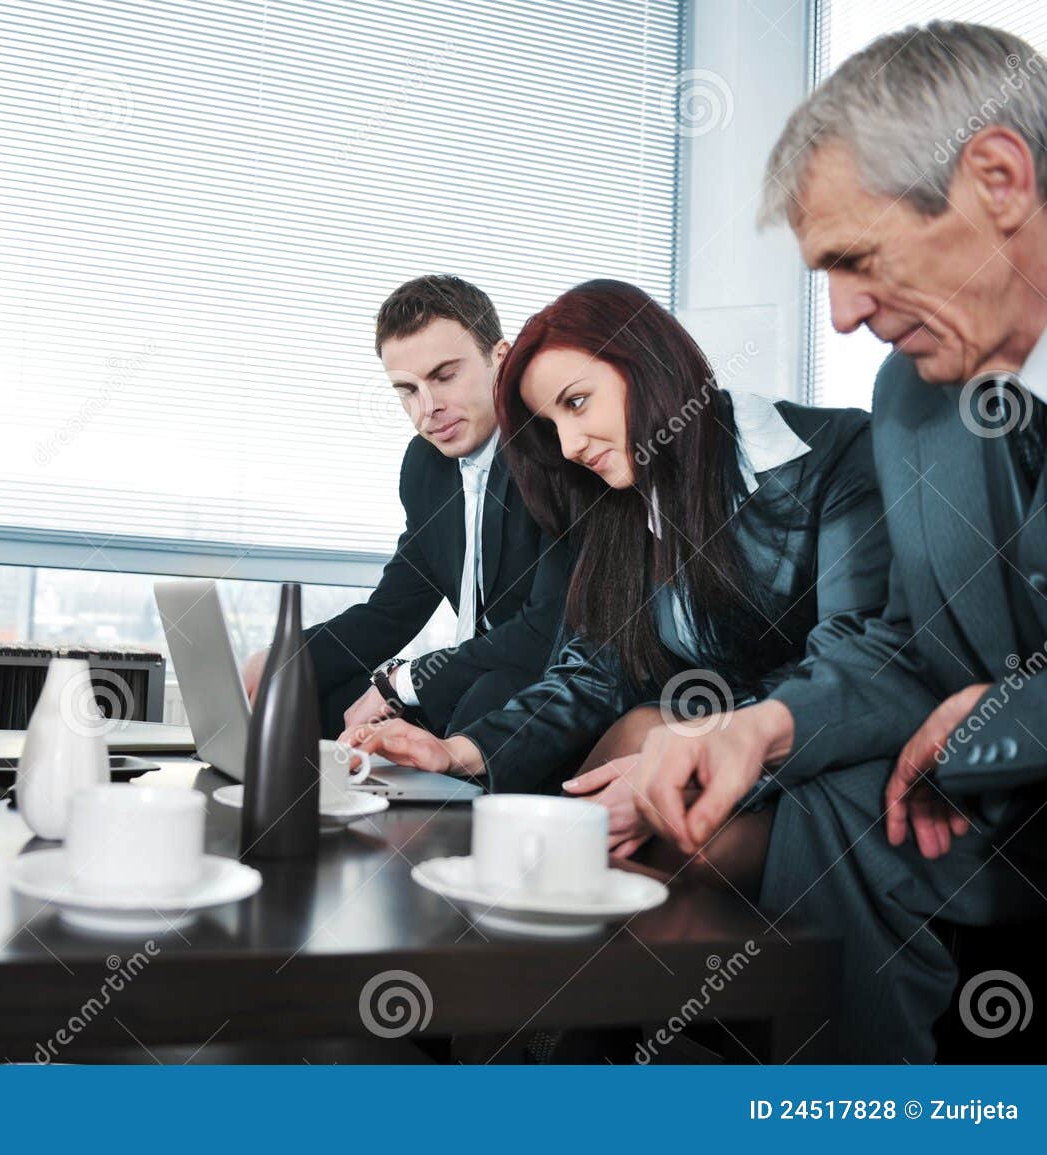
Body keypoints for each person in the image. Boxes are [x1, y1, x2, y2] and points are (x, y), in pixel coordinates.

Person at [627, 21, 1047, 1062]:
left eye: (857, 262)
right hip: (993, 811)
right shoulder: (909, 398)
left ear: (996, 178)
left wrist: (1006, 716)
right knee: (825, 814)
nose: (847, 314)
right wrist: (762, 728)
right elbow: (907, 645)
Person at [342, 280, 890, 872]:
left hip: (817, 751)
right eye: (552, 425)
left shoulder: (837, 454)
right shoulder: (620, 496)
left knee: (655, 769)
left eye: (576, 402)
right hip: (695, 745)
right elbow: (595, 671)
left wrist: (694, 749)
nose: (571, 445)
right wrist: (457, 752)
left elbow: (853, 659)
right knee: (602, 786)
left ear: (651, 364)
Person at [242, 275, 572, 739]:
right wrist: (286, 658)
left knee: (486, 694)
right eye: (407, 389)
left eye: (444, 376)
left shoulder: (555, 453)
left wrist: (406, 682)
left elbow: (546, 630)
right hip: (465, 679)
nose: (428, 407)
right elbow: (393, 611)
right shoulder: (426, 467)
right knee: (314, 692)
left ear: (501, 359)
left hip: (533, 682)